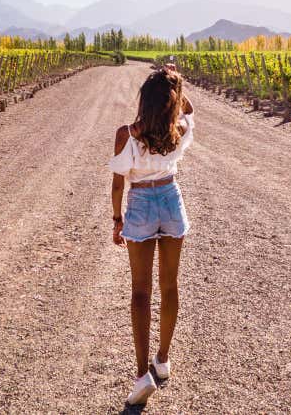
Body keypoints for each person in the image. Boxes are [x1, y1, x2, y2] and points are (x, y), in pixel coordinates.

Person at [108, 66, 194, 405]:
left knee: (140, 292)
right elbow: (188, 111)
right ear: (171, 102)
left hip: (141, 202)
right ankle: (163, 359)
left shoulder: (126, 134)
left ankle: (142, 374)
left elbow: (118, 183)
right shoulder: (180, 128)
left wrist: (117, 219)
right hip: (171, 198)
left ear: (145, 100)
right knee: (170, 285)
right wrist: (174, 88)